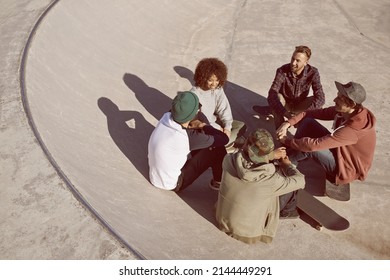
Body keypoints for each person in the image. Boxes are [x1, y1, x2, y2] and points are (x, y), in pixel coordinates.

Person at [276, 81, 376, 201]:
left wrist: (287, 140)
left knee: (311, 148)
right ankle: (291, 154)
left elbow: (313, 146)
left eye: (339, 98)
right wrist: (288, 123)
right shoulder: (348, 111)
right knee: (308, 122)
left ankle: (285, 165)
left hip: (345, 167)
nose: (334, 100)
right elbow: (308, 113)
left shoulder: (353, 130)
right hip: (340, 150)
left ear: (351, 104)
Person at [216, 128, 305, 244]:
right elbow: (301, 181)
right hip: (246, 232)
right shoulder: (271, 180)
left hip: (222, 219)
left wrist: (271, 155)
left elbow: (244, 155)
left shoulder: (228, 159)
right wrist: (287, 165)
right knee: (288, 185)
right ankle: (289, 211)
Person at [148, 91, 229, 191]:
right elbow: (224, 139)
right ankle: (218, 181)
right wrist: (203, 126)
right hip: (174, 183)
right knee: (217, 149)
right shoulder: (187, 137)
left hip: (155, 176)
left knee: (200, 135)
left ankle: (201, 153)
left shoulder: (167, 116)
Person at [254, 45, 325, 128]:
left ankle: (302, 125)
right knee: (277, 97)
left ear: (306, 62)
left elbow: (321, 98)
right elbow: (272, 94)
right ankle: (280, 133)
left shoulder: (313, 73)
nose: (293, 63)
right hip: (285, 104)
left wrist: (301, 116)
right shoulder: (282, 71)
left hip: (300, 105)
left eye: (298, 61)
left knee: (317, 103)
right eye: (292, 58)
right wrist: (286, 114)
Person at [190, 57, 246, 152]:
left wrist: (227, 127)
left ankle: (224, 143)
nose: (214, 84)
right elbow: (199, 121)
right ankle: (223, 145)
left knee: (242, 126)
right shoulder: (194, 95)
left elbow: (224, 108)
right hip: (204, 128)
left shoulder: (218, 89)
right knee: (220, 137)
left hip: (215, 122)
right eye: (210, 80)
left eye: (217, 80)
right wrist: (217, 128)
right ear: (202, 78)